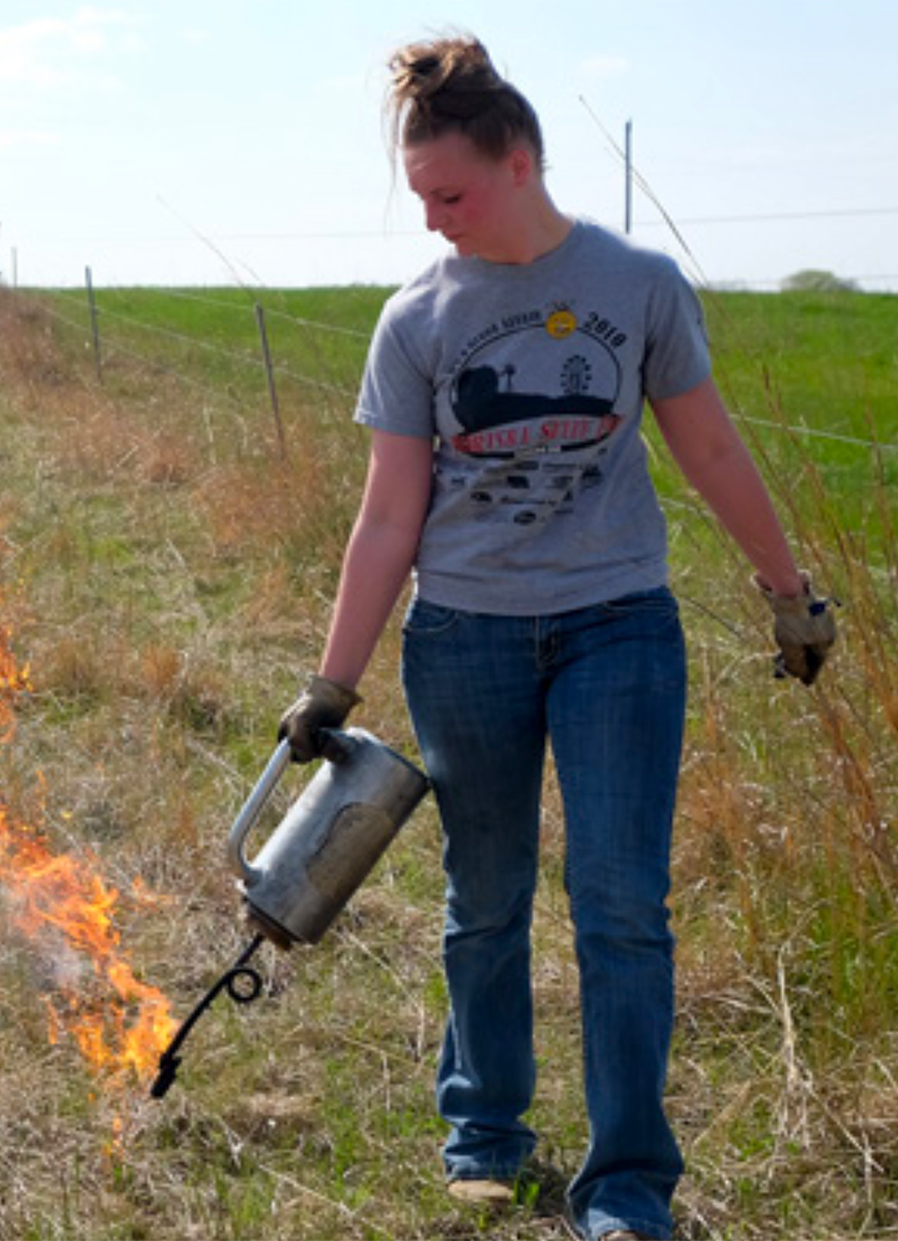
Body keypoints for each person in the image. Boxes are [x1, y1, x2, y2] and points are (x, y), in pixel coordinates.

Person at [276, 35, 837, 1241]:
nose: (430, 221)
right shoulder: (414, 319)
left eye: (449, 194)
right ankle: (483, 1133)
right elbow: (386, 517)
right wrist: (332, 677)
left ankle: (627, 1185)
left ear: (518, 161)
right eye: (418, 197)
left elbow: (709, 449)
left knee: (620, 901)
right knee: (483, 894)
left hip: (616, 627)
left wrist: (785, 590)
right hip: (463, 638)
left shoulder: (638, 286)